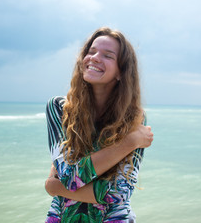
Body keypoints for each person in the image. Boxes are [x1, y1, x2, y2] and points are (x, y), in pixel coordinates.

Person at [44, 27, 153, 222]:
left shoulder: (135, 118)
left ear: (121, 71)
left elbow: (120, 193)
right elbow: (71, 176)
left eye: (107, 55)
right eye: (91, 51)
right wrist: (130, 141)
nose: (94, 57)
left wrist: (56, 188)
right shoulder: (59, 109)